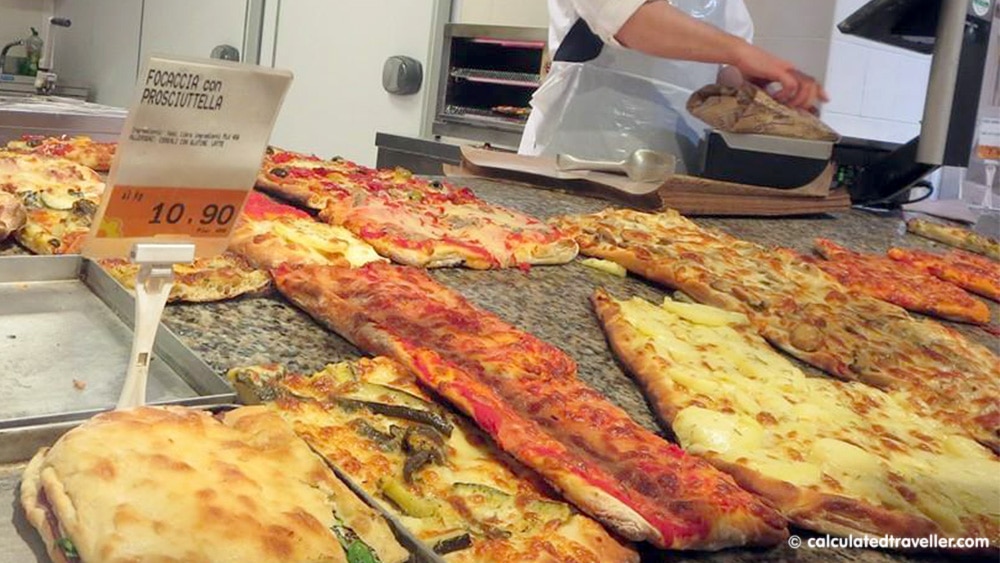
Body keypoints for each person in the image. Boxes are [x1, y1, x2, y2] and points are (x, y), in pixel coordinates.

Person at [519, 0, 829, 172]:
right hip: (580, 155)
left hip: (677, 166)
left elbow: (721, 70)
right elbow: (631, 20)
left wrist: (764, 93)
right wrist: (742, 53)